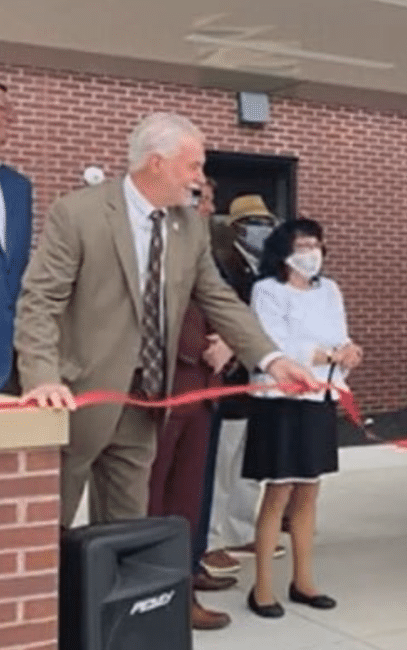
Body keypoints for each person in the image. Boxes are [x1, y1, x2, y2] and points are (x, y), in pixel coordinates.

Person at [14, 111, 320, 529]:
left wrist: (271, 360)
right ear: (156, 162)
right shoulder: (78, 213)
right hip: (77, 400)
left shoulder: (190, 229)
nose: (199, 177)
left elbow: (219, 299)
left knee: (125, 532)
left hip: (146, 403)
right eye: (193, 165)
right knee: (47, 532)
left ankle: (109, 596)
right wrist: (42, 378)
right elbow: (40, 301)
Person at [244, 217, 362, 617]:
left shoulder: (329, 289)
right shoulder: (266, 291)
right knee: (279, 491)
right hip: (279, 399)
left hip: (319, 397)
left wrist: (348, 352)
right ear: (284, 251)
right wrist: (326, 353)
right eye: (304, 244)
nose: (313, 252)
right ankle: (261, 587)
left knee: (309, 490)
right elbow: (277, 344)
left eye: (318, 244)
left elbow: (339, 335)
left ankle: (304, 580)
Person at [146, 176, 238, 630]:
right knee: (154, 496)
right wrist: (202, 344)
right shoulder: (158, 242)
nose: (208, 208)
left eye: (211, 201)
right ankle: (155, 592)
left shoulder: (208, 252)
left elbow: (220, 306)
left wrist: (229, 344)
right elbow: (158, 311)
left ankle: (183, 581)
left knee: (189, 497)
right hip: (166, 389)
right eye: (202, 198)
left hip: (204, 391)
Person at [202, 193, 287, 577]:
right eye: (254, 223)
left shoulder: (266, 268)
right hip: (229, 375)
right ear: (235, 227)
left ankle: (239, 530)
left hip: (259, 379)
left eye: (267, 223)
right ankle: (211, 539)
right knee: (220, 463)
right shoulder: (222, 262)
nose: (262, 230)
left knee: (247, 463)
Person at [0, 82, 34, 395]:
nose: (9, 119)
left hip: (8, 361)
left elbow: (19, 273)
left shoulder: (18, 188)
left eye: (9, 112)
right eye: (1, 110)